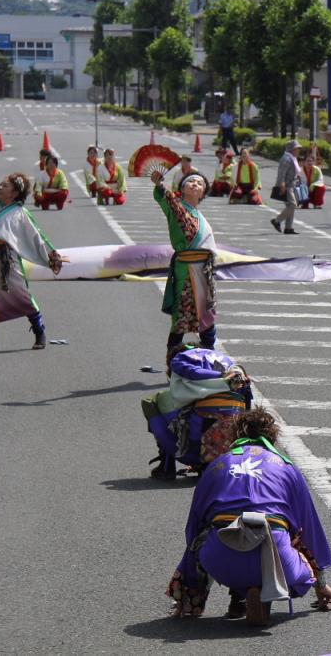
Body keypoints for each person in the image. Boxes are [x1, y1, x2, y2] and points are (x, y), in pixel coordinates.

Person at [167, 408, 331, 625]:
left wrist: (187, 586)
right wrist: (321, 584)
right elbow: (310, 528)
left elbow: (193, 526)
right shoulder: (286, 466)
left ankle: (200, 600)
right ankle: (260, 590)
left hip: (221, 555)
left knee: (206, 533)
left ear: (235, 434)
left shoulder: (217, 465)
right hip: (276, 554)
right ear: (272, 436)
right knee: (295, 536)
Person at [0, 173, 67, 353]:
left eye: (5, 186)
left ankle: (39, 332)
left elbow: (37, 237)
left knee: (22, 295)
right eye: (0, 184)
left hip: (8, 260)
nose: (0, 187)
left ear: (15, 193)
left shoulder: (20, 214)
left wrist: (52, 256)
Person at [144, 345, 252, 480]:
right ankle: (209, 463)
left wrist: (220, 377)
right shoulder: (230, 366)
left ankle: (167, 464)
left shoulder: (180, 361)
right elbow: (248, 406)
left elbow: (191, 372)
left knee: (149, 402)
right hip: (233, 451)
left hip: (197, 450)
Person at [149, 167, 218, 352]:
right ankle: (173, 359)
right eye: (191, 181)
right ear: (182, 188)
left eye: (200, 183)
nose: (195, 184)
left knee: (206, 315)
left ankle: (208, 357)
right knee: (181, 313)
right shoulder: (176, 207)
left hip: (204, 270)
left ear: (203, 193)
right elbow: (165, 199)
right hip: (186, 268)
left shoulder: (200, 217)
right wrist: (160, 184)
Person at [271, 140, 302, 235]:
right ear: (292, 149)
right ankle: (277, 221)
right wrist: (282, 184)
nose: (298, 150)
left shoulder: (292, 158)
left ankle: (288, 228)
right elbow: (282, 173)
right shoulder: (287, 159)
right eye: (297, 148)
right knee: (293, 205)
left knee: (290, 206)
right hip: (286, 186)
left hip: (291, 185)